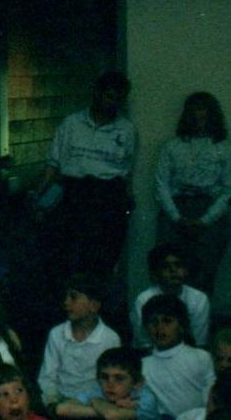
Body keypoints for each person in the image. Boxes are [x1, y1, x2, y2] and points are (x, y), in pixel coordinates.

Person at [36, 70, 137, 283]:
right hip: (74, 192)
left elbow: (126, 168)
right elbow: (53, 164)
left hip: (108, 195)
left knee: (103, 257)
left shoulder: (126, 130)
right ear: (97, 93)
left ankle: (97, 307)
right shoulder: (71, 124)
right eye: (109, 96)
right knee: (66, 255)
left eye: (119, 98)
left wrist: (123, 200)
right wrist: (42, 196)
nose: (113, 102)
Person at [154, 92, 231, 295]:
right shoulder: (172, 146)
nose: (199, 119)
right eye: (195, 114)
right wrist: (176, 217)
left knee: (204, 273)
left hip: (211, 212)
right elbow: (161, 185)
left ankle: (199, 323)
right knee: (169, 271)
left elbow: (228, 189)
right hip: (175, 211)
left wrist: (206, 220)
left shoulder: (224, 149)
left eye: (204, 114)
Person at [53, 346, 167, 420]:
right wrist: (99, 406)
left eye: (119, 378)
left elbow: (112, 415)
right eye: (104, 377)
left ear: (138, 383)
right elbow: (61, 409)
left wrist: (96, 403)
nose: (110, 384)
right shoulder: (98, 392)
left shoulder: (146, 398)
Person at [36, 274, 119, 410]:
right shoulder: (56, 333)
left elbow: (112, 380)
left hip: (95, 405)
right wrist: (52, 402)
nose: (66, 302)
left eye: (73, 297)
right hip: (60, 402)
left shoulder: (110, 338)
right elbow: (47, 376)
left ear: (94, 305)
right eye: (66, 297)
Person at [140, 294, 216, 420]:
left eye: (167, 321)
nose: (159, 328)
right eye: (153, 322)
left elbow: (210, 400)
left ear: (181, 325)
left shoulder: (201, 358)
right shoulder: (142, 365)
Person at [130, 243, 210, 349]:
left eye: (178, 265)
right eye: (165, 266)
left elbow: (199, 341)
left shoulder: (199, 299)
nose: (173, 270)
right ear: (155, 272)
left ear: (186, 270)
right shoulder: (144, 299)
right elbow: (144, 341)